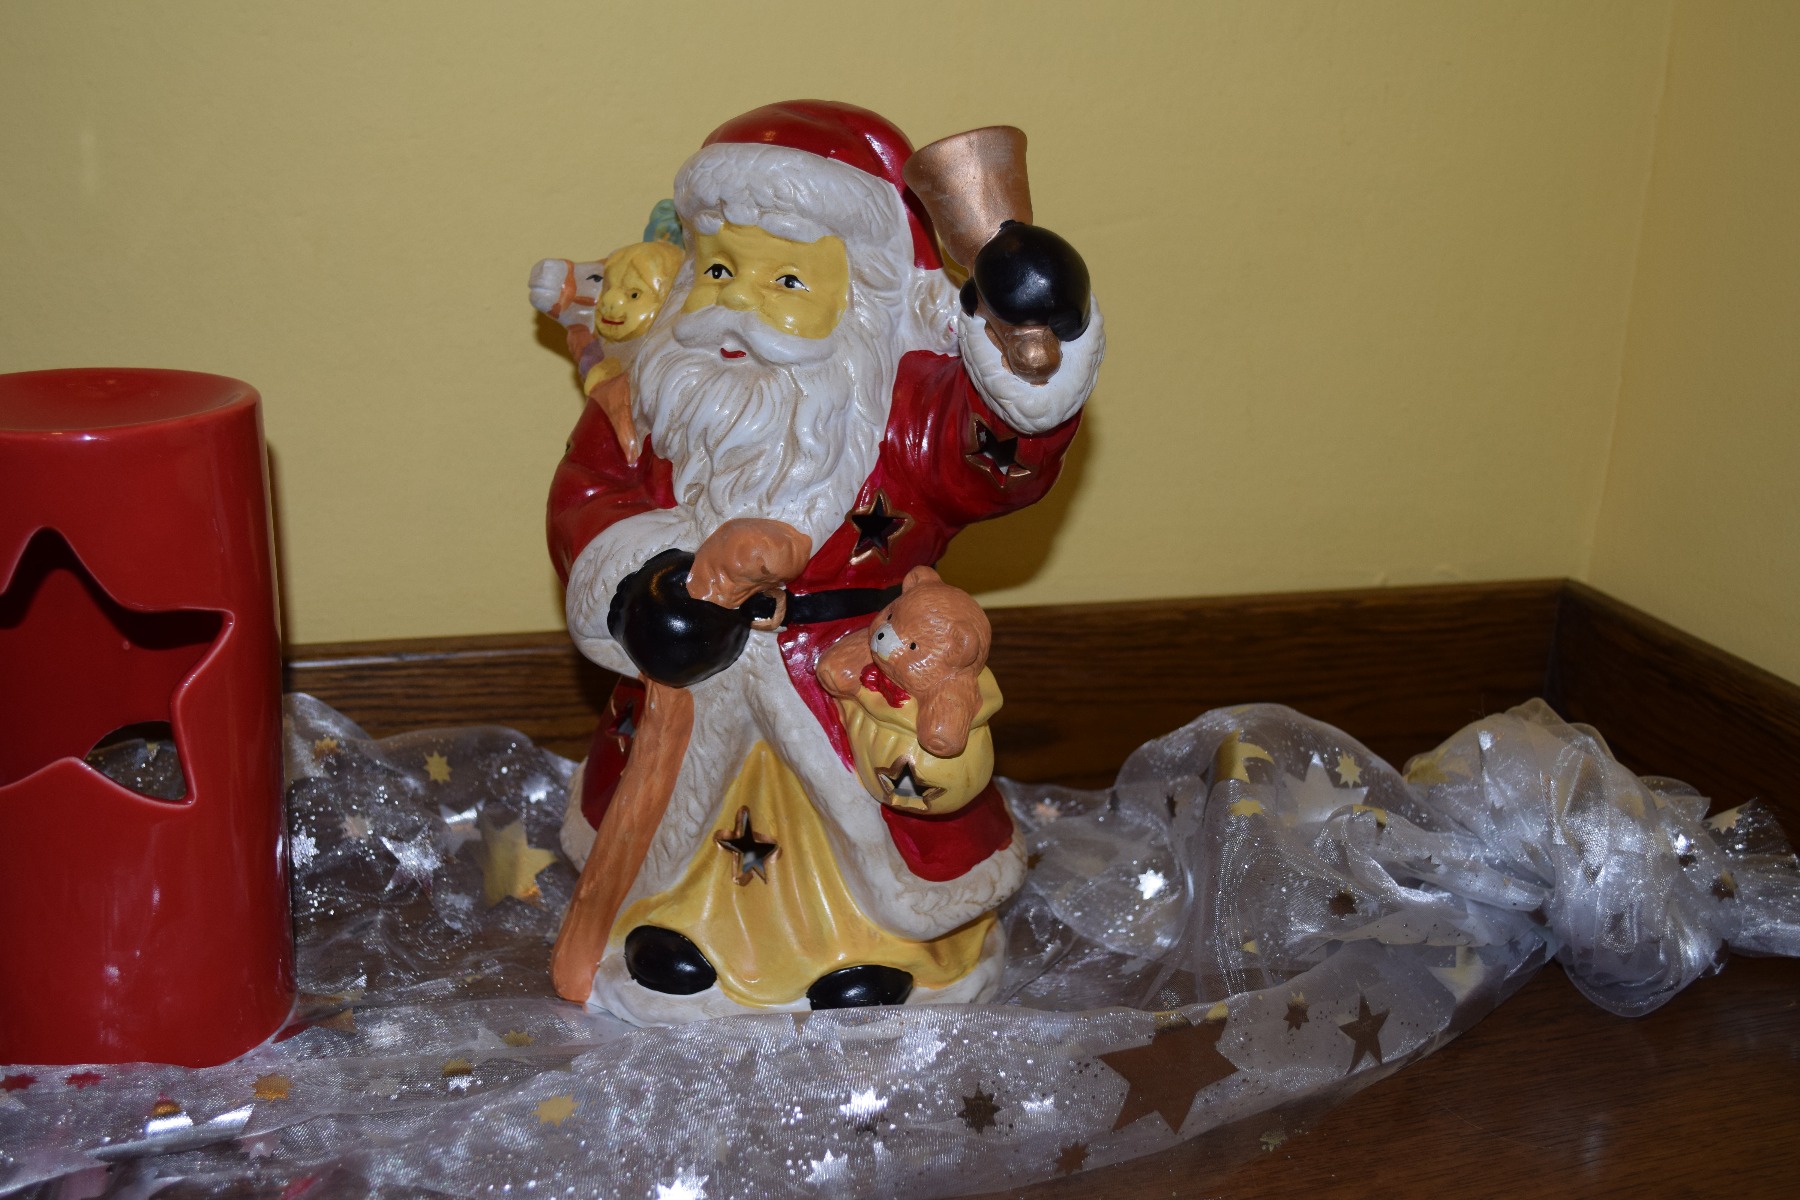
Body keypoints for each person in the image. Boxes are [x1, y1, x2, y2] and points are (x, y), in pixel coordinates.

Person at [546, 100, 1104, 1025]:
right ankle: (682, 929)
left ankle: (877, 950)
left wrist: (1025, 356)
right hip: (694, 691)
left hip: (848, 676)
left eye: (787, 281)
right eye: (719, 270)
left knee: (870, 838)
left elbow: (992, 453)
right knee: (681, 822)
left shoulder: (900, 408)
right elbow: (589, 495)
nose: (737, 306)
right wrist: (644, 584)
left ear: (864, 300)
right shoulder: (653, 395)